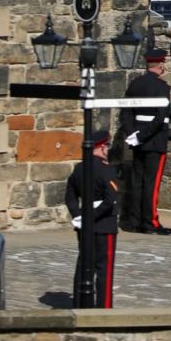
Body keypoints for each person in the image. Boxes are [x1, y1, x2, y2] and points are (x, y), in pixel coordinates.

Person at [118, 48, 171, 236]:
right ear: (160, 65)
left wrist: (132, 133)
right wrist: (141, 135)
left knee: (137, 181)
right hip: (155, 141)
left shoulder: (135, 84)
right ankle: (150, 222)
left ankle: (133, 221)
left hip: (137, 140)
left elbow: (125, 112)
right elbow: (160, 119)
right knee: (151, 183)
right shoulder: (162, 87)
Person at [66, 129, 120, 308]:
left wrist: (78, 215)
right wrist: (92, 217)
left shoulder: (79, 169)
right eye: (107, 146)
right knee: (104, 269)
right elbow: (111, 199)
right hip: (104, 225)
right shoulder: (105, 171)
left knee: (83, 265)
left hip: (84, 224)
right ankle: (103, 307)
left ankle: (79, 304)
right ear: (102, 148)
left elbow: (70, 195)